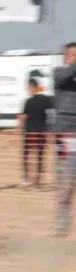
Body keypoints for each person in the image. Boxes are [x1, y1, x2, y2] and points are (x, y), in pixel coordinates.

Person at [53, 42, 76, 237]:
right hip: (65, 136)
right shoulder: (59, 73)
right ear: (67, 57)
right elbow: (66, 76)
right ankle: (61, 224)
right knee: (66, 180)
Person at [18, 78, 53, 188]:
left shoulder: (28, 101)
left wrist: (19, 128)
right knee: (39, 157)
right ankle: (37, 181)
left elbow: (24, 117)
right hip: (41, 132)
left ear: (32, 87)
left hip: (30, 134)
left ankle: (27, 180)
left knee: (26, 156)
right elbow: (53, 107)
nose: (28, 90)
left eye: (28, 87)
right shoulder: (45, 99)